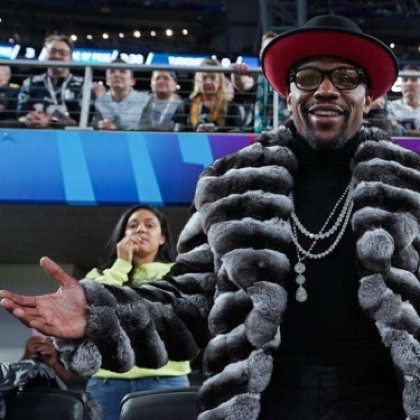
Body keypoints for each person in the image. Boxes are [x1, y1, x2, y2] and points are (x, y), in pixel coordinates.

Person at [2, 15, 420, 420]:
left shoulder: (411, 184)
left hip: (384, 404)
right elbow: (190, 302)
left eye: (346, 78)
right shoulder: (228, 183)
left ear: (368, 96)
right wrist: (98, 316)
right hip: (263, 406)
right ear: (288, 94)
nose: (326, 90)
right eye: (308, 77)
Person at [83, 205, 190, 420]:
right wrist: (121, 265)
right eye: (133, 225)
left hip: (165, 381)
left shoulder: (180, 272)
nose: (140, 229)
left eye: (149, 225)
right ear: (123, 236)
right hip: (106, 383)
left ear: (162, 238)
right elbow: (92, 311)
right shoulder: (97, 275)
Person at [17, 34, 85, 129]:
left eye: (63, 53)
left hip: (68, 136)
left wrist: (51, 121)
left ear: (70, 57)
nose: (56, 56)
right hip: (34, 133)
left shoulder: (83, 86)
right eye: (52, 51)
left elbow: (82, 122)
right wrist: (28, 119)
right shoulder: (30, 83)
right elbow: (20, 116)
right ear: (46, 54)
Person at [231, 31, 290, 132]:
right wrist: (237, 73)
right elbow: (243, 84)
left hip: (286, 133)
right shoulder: (255, 74)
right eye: (267, 48)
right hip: (258, 134)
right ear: (260, 53)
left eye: (274, 48)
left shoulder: (289, 77)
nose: (270, 52)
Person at [172, 58, 244, 132]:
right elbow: (177, 134)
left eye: (213, 78)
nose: (208, 82)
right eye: (204, 78)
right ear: (198, 81)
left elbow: (237, 134)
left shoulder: (231, 107)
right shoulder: (185, 105)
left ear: (220, 82)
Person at [91, 59, 149, 131]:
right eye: (112, 72)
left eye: (122, 71)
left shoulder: (145, 100)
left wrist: (117, 128)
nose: (117, 75)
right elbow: (95, 125)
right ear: (107, 80)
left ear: (132, 81)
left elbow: (149, 128)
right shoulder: (100, 102)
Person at [386, 64, 420, 134]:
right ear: (400, 85)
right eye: (405, 80)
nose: (408, 83)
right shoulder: (390, 107)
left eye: (414, 79)